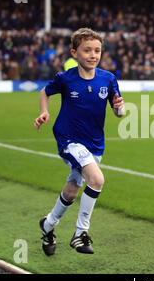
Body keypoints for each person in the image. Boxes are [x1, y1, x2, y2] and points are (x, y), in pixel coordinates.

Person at [33, 28, 125, 256]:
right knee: (97, 179)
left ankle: (48, 225)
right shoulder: (66, 79)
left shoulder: (108, 79)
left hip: (95, 143)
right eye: (87, 50)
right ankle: (80, 234)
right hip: (69, 139)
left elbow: (119, 111)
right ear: (75, 53)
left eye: (97, 50)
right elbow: (44, 92)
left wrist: (119, 108)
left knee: (73, 189)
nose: (93, 55)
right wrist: (44, 112)